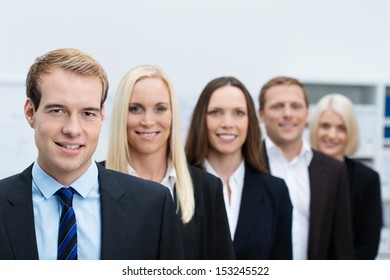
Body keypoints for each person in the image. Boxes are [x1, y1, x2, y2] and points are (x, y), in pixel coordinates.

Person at [0, 48, 183, 260]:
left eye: (87, 113)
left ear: (101, 115)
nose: (73, 129)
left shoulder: (153, 206)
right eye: (57, 110)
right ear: (31, 112)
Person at [104, 65, 235, 260]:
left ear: (173, 114)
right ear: (121, 114)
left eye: (160, 108)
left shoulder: (208, 188)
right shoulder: (93, 181)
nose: (148, 121)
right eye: (135, 109)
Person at [185, 76, 293, 260]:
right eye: (216, 112)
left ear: (250, 120)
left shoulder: (275, 191)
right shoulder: (177, 184)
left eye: (239, 113)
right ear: (201, 119)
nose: (228, 123)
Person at [258, 76, 355, 259]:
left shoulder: (333, 171)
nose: (288, 114)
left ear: (307, 113)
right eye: (277, 106)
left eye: (296, 106)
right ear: (261, 115)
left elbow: (342, 247)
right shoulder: (247, 163)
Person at [310, 93, 382, 259]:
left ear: (351, 132)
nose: (332, 135)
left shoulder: (367, 179)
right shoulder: (300, 171)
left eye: (341, 128)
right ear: (315, 128)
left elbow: (367, 247)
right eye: (325, 126)